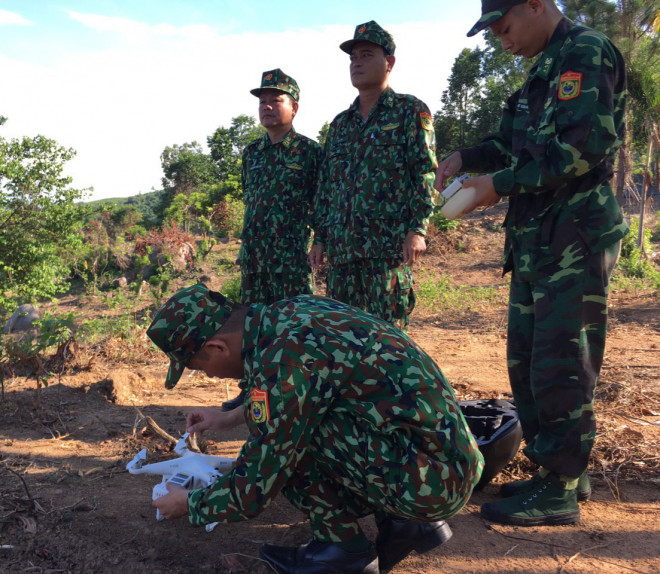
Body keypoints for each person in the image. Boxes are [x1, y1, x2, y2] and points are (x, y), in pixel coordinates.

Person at [435, 0, 628, 526]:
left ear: (536, 5)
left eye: (504, 26)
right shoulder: (540, 73)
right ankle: (559, 472)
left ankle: (560, 488)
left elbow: (581, 148)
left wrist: (494, 185)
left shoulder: (586, 53)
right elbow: (512, 144)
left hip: (574, 235)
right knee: (527, 361)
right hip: (535, 240)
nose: (502, 39)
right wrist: (468, 158)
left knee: (561, 363)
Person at [147, 283, 483, 574]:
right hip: (438, 454)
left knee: (287, 448)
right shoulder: (288, 315)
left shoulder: (282, 359)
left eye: (200, 367)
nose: (210, 377)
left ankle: (342, 551)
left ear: (217, 347)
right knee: (294, 422)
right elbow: (309, 387)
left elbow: (255, 485)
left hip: (435, 481)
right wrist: (231, 416)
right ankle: (403, 523)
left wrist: (191, 504)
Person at [309, 21, 437, 332]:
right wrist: (321, 238)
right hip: (342, 256)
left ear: (389, 62)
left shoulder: (410, 111)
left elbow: (425, 171)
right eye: (353, 58)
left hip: (386, 252)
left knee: (388, 339)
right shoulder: (340, 124)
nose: (357, 63)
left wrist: (417, 229)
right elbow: (328, 185)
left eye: (366, 55)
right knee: (343, 339)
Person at [225, 69, 321, 412]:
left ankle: (294, 392)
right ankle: (251, 390)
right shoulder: (251, 153)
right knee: (252, 327)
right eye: (262, 101)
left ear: (293, 107)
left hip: (291, 258)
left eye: (275, 100)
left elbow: (321, 203)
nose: (267, 107)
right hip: (254, 258)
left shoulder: (310, 153)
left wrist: (319, 241)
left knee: (294, 326)